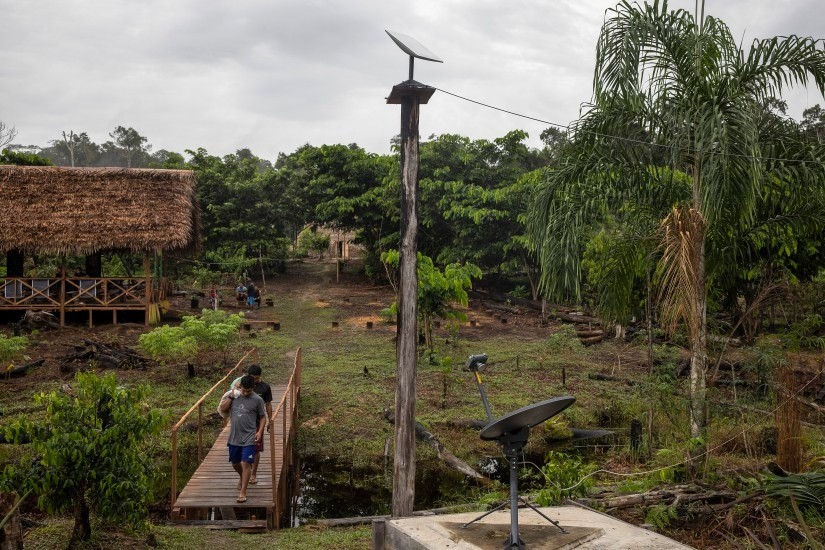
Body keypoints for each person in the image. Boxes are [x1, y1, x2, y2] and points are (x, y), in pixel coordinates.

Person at [219, 375, 266, 503]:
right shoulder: (233, 396)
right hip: (234, 436)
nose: (245, 393)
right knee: (235, 463)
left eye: (248, 391)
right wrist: (231, 396)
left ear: (253, 388)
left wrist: (260, 432)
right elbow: (222, 409)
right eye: (244, 390)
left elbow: (262, 417)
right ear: (240, 386)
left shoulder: (257, 400)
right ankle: (242, 477)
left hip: (249, 436)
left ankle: (243, 492)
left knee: (246, 463)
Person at [228, 364, 273, 484]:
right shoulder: (240, 384)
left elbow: (268, 404)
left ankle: (253, 473)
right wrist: (236, 388)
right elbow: (230, 396)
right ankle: (244, 476)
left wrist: (270, 420)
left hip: (257, 422)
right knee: (238, 459)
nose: (254, 380)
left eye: (256, 378)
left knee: (256, 449)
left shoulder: (264, 387)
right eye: (252, 377)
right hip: (241, 423)